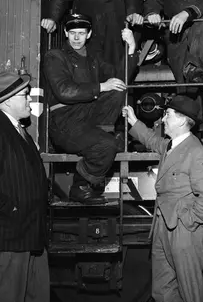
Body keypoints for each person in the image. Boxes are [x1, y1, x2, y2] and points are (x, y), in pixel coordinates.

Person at [122, 96, 203, 302]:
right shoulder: (170, 146)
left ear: (182, 120)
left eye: (168, 114)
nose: (163, 119)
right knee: (162, 288)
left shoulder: (197, 153)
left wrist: (187, 221)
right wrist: (133, 121)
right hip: (163, 226)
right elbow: (152, 140)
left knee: (189, 289)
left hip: (184, 230)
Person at [0, 71, 49, 302]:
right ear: (7, 102)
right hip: (6, 239)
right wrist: (13, 210)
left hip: (27, 237)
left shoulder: (18, 131)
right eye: (25, 95)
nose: (29, 99)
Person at [43, 13, 138, 203]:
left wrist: (132, 48)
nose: (76, 38)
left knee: (117, 89)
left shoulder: (93, 59)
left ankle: (102, 137)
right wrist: (101, 86)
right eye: (72, 33)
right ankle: (80, 186)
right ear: (65, 33)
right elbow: (64, 91)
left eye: (81, 33)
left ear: (89, 34)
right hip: (64, 121)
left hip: (86, 118)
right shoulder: (55, 56)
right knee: (107, 145)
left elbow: (118, 80)